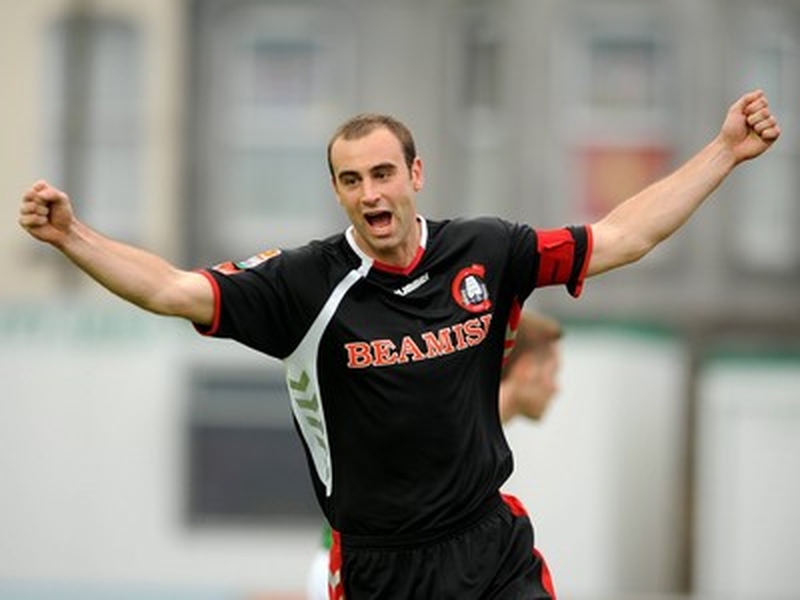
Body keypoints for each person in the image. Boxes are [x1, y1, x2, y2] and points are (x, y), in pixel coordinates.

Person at [18, 90, 780, 599]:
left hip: (489, 544)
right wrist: (71, 236)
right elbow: (171, 290)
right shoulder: (302, 283)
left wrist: (723, 150)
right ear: (340, 192)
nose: (372, 193)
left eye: (384, 173)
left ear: (416, 172)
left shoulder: (488, 250)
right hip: (382, 566)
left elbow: (621, 237)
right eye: (352, 181)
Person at [304, 309, 564, 599]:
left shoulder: (477, 422)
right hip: (362, 573)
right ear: (527, 368)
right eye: (553, 373)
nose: (556, 388)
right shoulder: (463, 417)